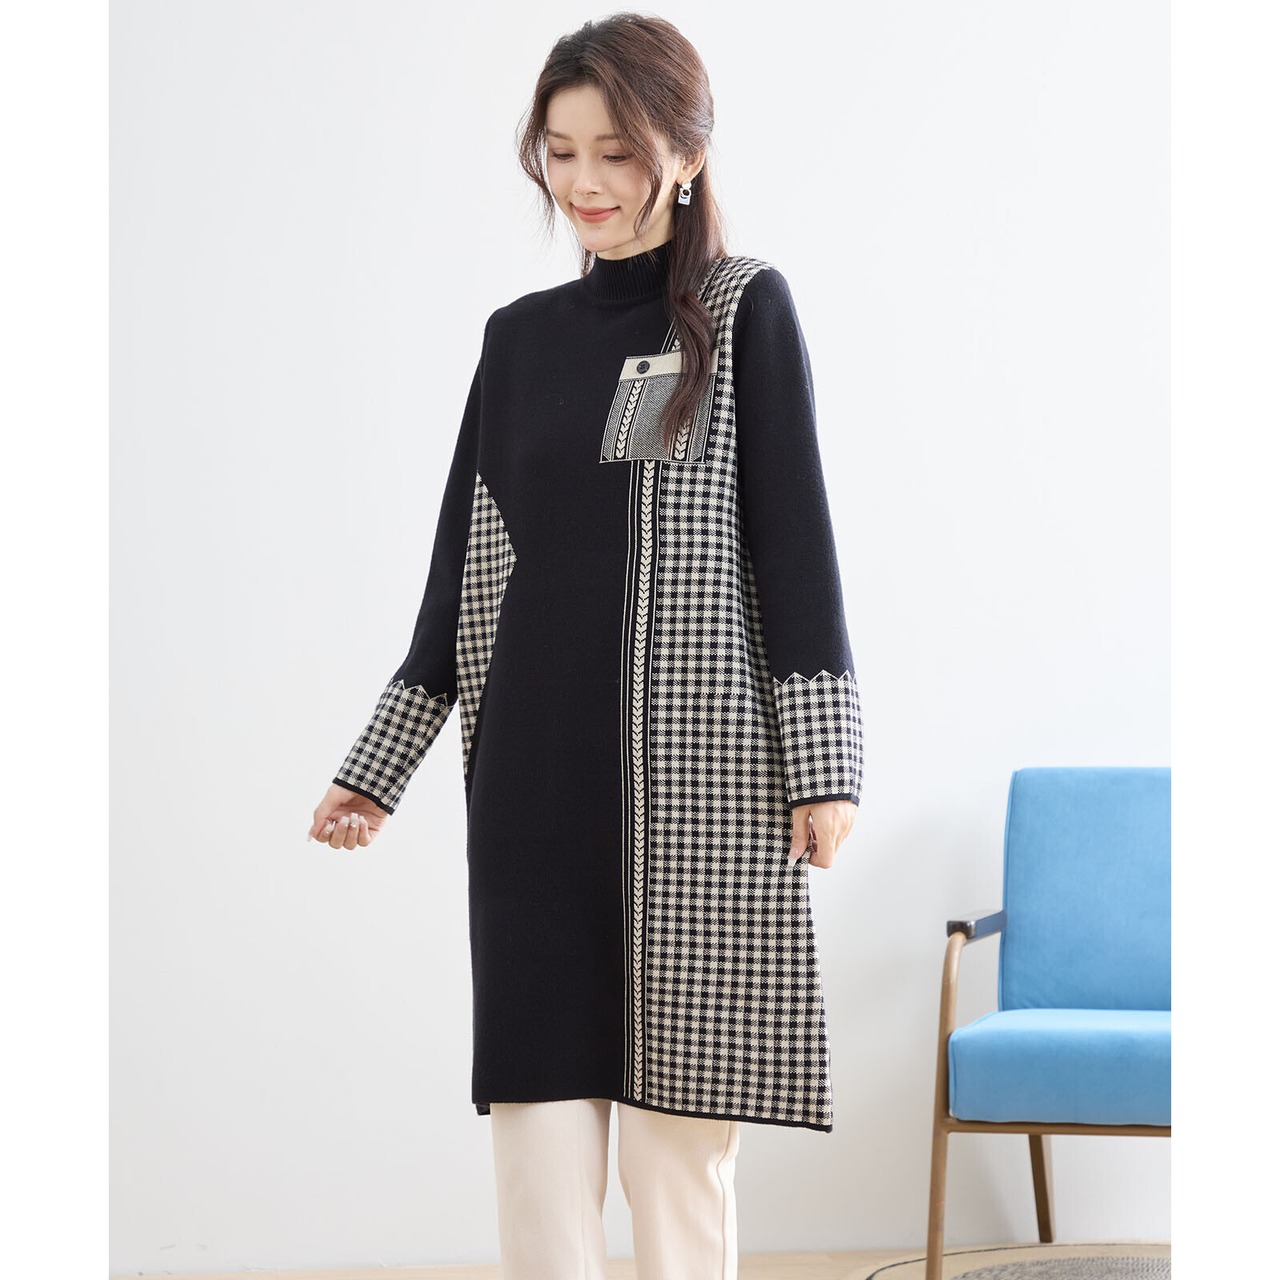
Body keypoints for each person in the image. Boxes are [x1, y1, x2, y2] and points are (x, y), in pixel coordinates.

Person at [306, 13, 863, 1279]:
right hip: (534, 790)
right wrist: (377, 768)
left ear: (684, 151)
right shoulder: (517, 338)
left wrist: (822, 767)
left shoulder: (740, 310)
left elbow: (795, 544)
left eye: (616, 150)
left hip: (699, 792)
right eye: (560, 152)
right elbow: (462, 571)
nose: (585, 181)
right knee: (539, 1136)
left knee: (678, 1153)